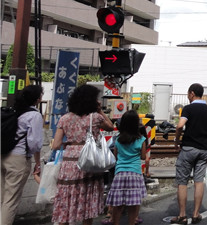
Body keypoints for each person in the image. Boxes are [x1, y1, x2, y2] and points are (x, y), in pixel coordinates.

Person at [51, 84, 114, 225]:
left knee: (66, 199)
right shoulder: (95, 117)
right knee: (88, 199)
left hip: (69, 163)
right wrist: (100, 110)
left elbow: (56, 145)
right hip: (90, 162)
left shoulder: (65, 118)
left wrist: (70, 144)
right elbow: (110, 126)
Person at [171, 83, 207, 225]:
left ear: (191, 93)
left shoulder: (188, 109)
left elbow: (179, 125)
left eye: (187, 93)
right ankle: (196, 214)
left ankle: (182, 216)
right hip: (203, 150)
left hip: (189, 149)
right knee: (198, 182)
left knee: (182, 182)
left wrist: (177, 141)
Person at [1, 85, 44, 225]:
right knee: (11, 200)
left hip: (3, 154)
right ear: (38, 99)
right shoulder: (34, 115)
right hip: (19, 159)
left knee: (1, 196)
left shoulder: (14, 111)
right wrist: (37, 162)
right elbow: (34, 143)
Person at [106, 110, 147, 225]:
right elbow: (143, 157)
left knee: (118, 204)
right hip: (135, 173)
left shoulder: (118, 139)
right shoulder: (141, 140)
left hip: (120, 173)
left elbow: (116, 157)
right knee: (133, 205)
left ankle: (116, 223)